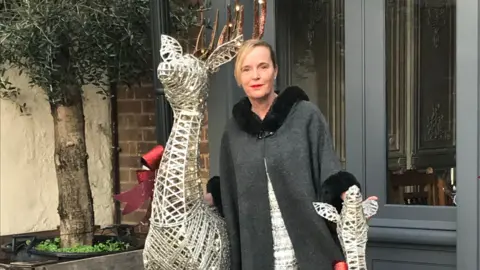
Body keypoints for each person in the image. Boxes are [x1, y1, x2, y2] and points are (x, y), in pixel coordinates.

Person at [219, 39, 359, 270]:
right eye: (247, 69)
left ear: (275, 70)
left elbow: (328, 168)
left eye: (263, 66)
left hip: (307, 247)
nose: (255, 76)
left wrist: (350, 197)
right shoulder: (233, 132)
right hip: (257, 252)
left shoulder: (305, 116)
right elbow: (228, 190)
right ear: (239, 78)